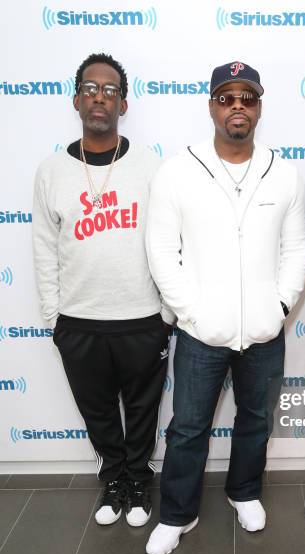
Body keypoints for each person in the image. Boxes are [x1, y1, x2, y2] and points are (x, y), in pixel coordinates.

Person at [145, 61, 305, 554]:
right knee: (188, 427)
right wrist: (192, 314)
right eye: (226, 96)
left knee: (256, 420)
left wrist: (278, 306)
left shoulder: (283, 173)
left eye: (248, 96)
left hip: (263, 331)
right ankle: (177, 514)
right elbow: (160, 250)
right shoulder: (177, 170)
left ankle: (244, 493)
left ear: (259, 106)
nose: (237, 105)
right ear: (212, 105)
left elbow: (298, 248)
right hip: (199, 332)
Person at [32, 53, 173, 528]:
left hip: (141, 318)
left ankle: (139, 479)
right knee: (99, 415)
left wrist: (166, 315)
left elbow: (172, 243)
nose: (99, 97)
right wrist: (55, 318)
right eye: (90, 89)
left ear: (123, 104)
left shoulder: (151, 167)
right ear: (76, 100)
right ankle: (113, 479)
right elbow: (43, 248)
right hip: (79, 322)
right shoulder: (51, 171)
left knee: (142, 412)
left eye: (110, 90)